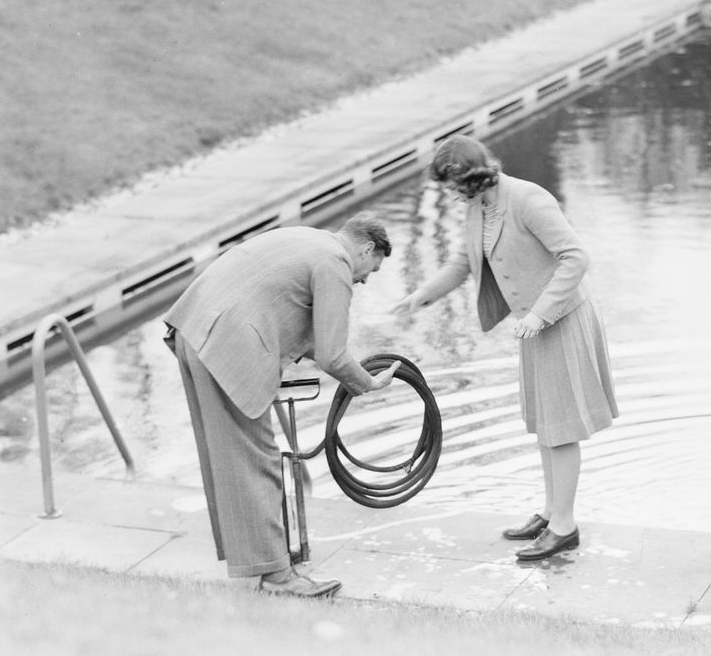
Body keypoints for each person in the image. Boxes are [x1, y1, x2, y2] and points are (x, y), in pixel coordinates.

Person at [392, 135, 618, 561]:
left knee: (561, 426)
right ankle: (552, 512)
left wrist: (539, 314)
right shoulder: (479, 205)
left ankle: (565, 527)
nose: (451, 196)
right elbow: (466, 260)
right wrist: (422, 295)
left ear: (471, 178)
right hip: (532, 326)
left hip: (561, 319)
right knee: (543, 421)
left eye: (453, 187)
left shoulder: (528, 199)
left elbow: (575, 257)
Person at [164, 212, 401, 598]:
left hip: (194, 329)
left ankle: (259, 565)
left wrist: (346, 363)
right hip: (228, 344)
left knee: (230, 457)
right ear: (366, 248)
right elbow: (332, 355)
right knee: (260, 460)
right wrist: (368, 383)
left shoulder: (306, 239)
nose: (364, 280)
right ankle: (278, 577)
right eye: (369, 271)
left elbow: (307, 331)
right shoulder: (335, 263)